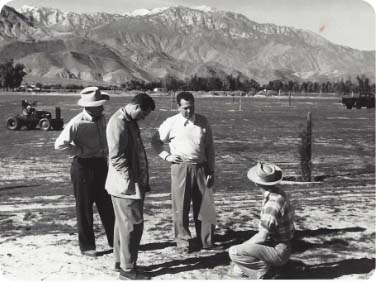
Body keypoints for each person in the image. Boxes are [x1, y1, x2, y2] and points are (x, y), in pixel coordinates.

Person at [151, 91, 217, 253]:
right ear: (178, 107)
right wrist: (167, 156)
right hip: (180, 168)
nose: (189, 111)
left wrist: (211, 170)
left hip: (201, 167)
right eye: (185, 108)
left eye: (191, 107)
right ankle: (183, 241)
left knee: (205, 205)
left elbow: (209, 148)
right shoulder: (171, 122)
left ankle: (206, 240)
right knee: (181, 205)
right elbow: (155, 142)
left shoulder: (203, 121)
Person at [55, 86, 115, 257]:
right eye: (99, 105)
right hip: (82, 168)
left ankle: (115, 241)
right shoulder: (76, 122)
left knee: (107, 205)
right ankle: (87, 247)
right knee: (84, 208)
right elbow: (59, 145)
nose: (103, 108)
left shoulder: (103, 119)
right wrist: (80, 151)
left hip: (101, 166)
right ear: (90, 107)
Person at [105, 93, 155, 280]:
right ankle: (128, 269)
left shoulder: (128, 121)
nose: (143, 118)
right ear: (136, 107)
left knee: (122, 225)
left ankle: (122, 263)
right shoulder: (118, 123)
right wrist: (131, 181)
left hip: (126, 184)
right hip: (125, 186)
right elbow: (116, 157)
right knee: (132, 226)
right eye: (144, 114)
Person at [228, 161, 295, 279]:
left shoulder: (272, 203)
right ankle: (267, 268)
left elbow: (262, 236)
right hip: (281, 245)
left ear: (256, 183)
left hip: (278, 250)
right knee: (238, 268)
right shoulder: (278, 193)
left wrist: (241, 247)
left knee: (234, 252)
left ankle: (264, 273)